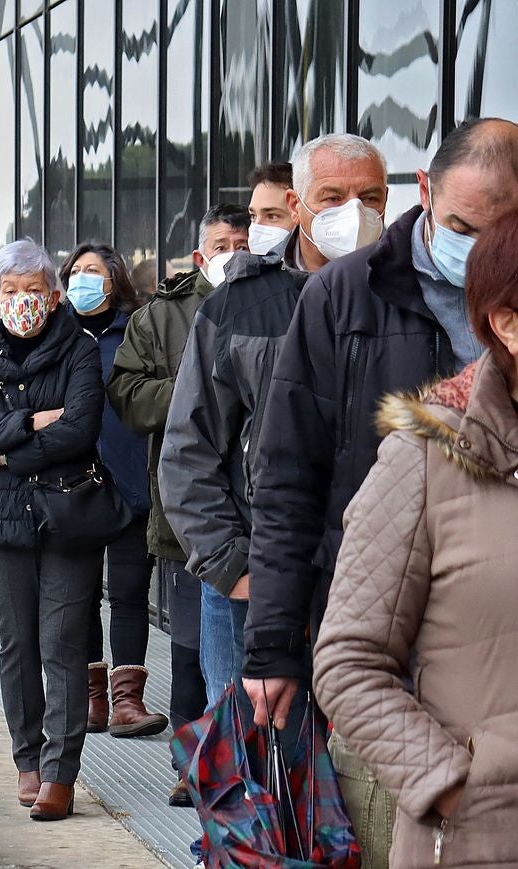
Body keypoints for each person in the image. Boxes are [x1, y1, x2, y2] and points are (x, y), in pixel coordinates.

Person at [242, 119, 518, 733]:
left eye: (498, 234)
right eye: (460, 228)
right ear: (424, 189)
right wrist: (274, 643)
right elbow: (289, 475)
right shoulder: (342, 295)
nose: (477, 250)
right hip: (375, 628)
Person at [313, 208, 518, 866]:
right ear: (507, 323)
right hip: (480, 840)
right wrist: (459, 787)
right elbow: (347, 662)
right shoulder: (428, 458)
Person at [160, 141, 375, 712]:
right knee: (251, 764)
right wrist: (232, 567)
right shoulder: (236, 307)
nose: (353, 213)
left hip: (371, 583)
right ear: (297, 203)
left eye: (370, 197)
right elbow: (188, 450)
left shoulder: (404, 302)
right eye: (332, 196)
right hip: (251, 581)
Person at [0, 239, 105, 821]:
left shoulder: (80, 350)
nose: (23, 301)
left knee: (62, 645)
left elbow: (81, 429)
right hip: (3, 521)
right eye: (11, 292)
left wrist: (6, 452)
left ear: (54, 295)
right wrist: (30, 421)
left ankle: (61, 774)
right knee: (18, 644)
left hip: (69, 513)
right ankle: (27, 760)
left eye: (34, 290)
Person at [106, 204, 249, 805]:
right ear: (199, 256)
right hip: (191, 515)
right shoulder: (161, 316)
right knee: (193, 649)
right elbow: (130, 396)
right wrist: (203, 387)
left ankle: (257, 765)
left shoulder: (292, 299)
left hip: (267, 507)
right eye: (221, 244)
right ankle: (195, 765)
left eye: (243, 241)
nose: (233, 253)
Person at [61, 243, 167, 739]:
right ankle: (92, 700)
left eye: (93, 271)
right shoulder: (58, 334)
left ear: (114, 279)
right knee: (80, 595)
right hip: (73, 487)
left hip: (131, 484)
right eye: (76, 271)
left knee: (128, 594)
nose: (83, 279)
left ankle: (128, 701)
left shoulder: (138, 330)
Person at [245, 161, 297, 255]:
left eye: (271, 216)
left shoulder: (329, 269)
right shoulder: (239, 268)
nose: (256, 227)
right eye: (253, 216)